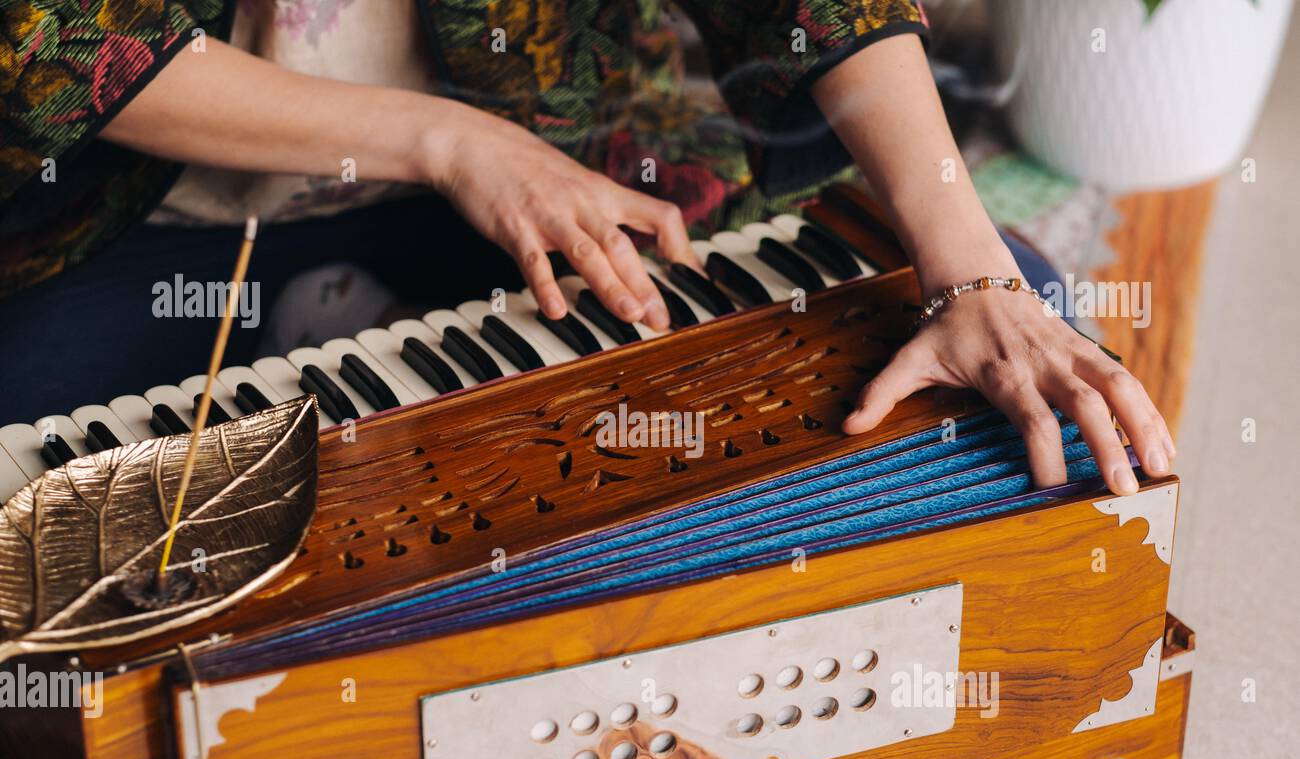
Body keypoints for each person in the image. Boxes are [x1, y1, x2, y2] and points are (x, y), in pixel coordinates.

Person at [0, 0, 1173, 494]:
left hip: (560, 159)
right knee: (35, 493)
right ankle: (336, 313)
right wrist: (449, 143)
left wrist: (968, 272)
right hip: (153, 213)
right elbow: (67, 36)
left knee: (991, 358)